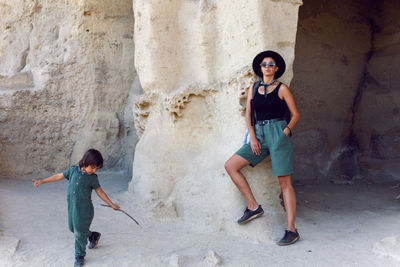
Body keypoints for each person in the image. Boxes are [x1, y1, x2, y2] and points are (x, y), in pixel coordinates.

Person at [224, 50, 300, 246]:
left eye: (271, 64)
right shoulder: (254, 87)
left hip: (278, 132)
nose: (267, 67)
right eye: (264, 64)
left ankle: (291, 230)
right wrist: (253, 135)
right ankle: (253, 206)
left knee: (285, 183)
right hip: (258, 134)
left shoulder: (282, 88)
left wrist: (285, 132)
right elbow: (250, 113)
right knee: (231, 166)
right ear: (260, 68)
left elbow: (295, 114)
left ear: (276, 68)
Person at [32, 149, 120, 266]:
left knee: (78, 233)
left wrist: (111, 204)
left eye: (96, 169)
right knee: (73, 228)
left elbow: (100, 192)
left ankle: (79, 255)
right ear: (85, 162)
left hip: (85, 211)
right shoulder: (73, 170)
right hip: (73, 208)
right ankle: (93, 235)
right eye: (92, 167)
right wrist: (42, 181)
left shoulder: (92, 178)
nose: (94, 170)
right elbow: (59, 176)